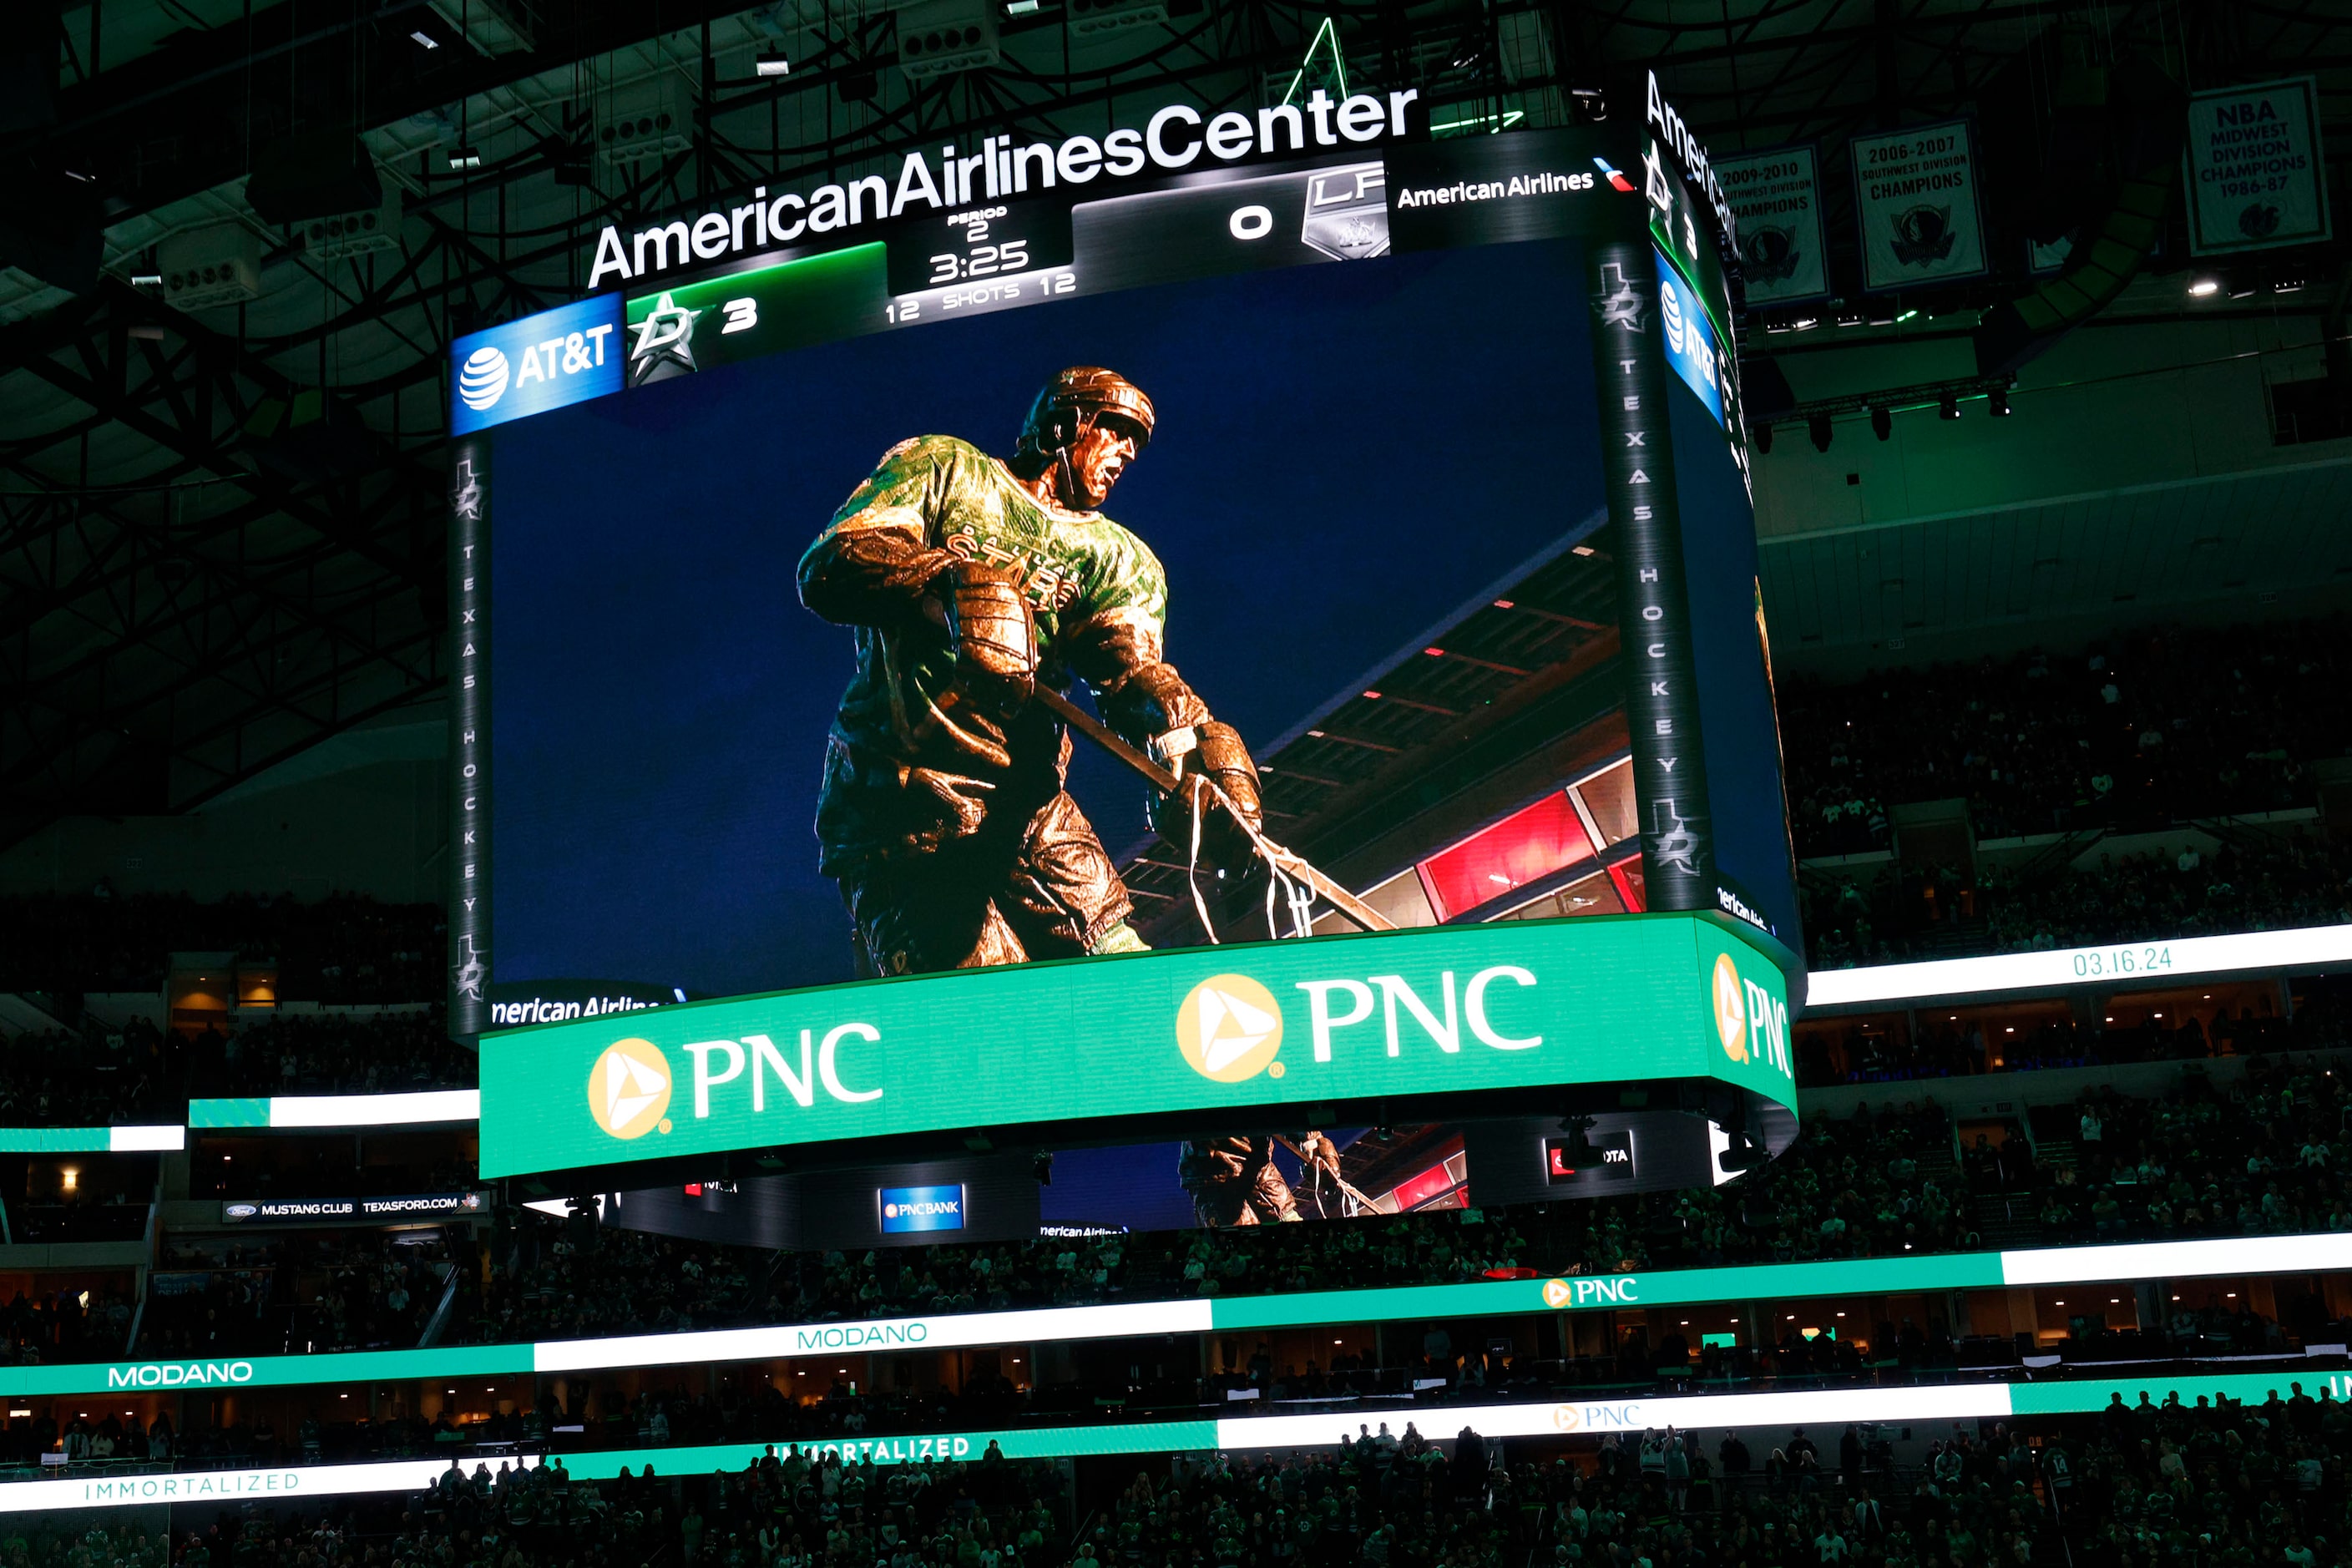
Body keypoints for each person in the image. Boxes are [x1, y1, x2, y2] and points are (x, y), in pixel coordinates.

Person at [799, 367, 1265, 974]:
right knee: (984, 1004)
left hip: (1028, 803)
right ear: (1066, 424)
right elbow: (832, 564)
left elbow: (1128, 676)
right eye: (1116, 430)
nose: (1126, 453)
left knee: (1118, 964)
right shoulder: (945, 469)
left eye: (1135, 443)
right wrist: (947, 577)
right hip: (898, 795)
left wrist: (1189, 742)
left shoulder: (1119, 558)